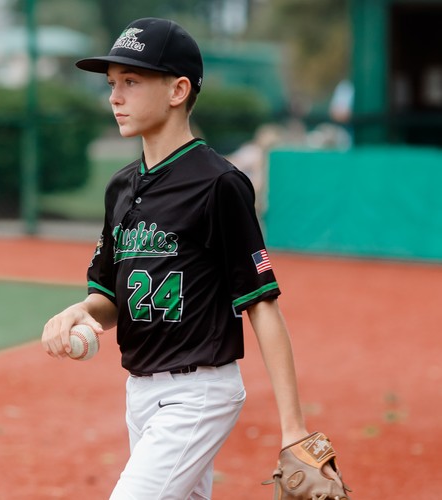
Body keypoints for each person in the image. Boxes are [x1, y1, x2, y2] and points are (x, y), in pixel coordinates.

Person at [42, 17, 344, 499]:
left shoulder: (218, 184)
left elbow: (261, 303)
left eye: (131, 81)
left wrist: (294, 429)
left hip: (197, 393)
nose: (115, 97)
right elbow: (108, 299)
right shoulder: (121, 187)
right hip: (140, 393)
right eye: (112, 83)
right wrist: (79, 311)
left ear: (178, 90)